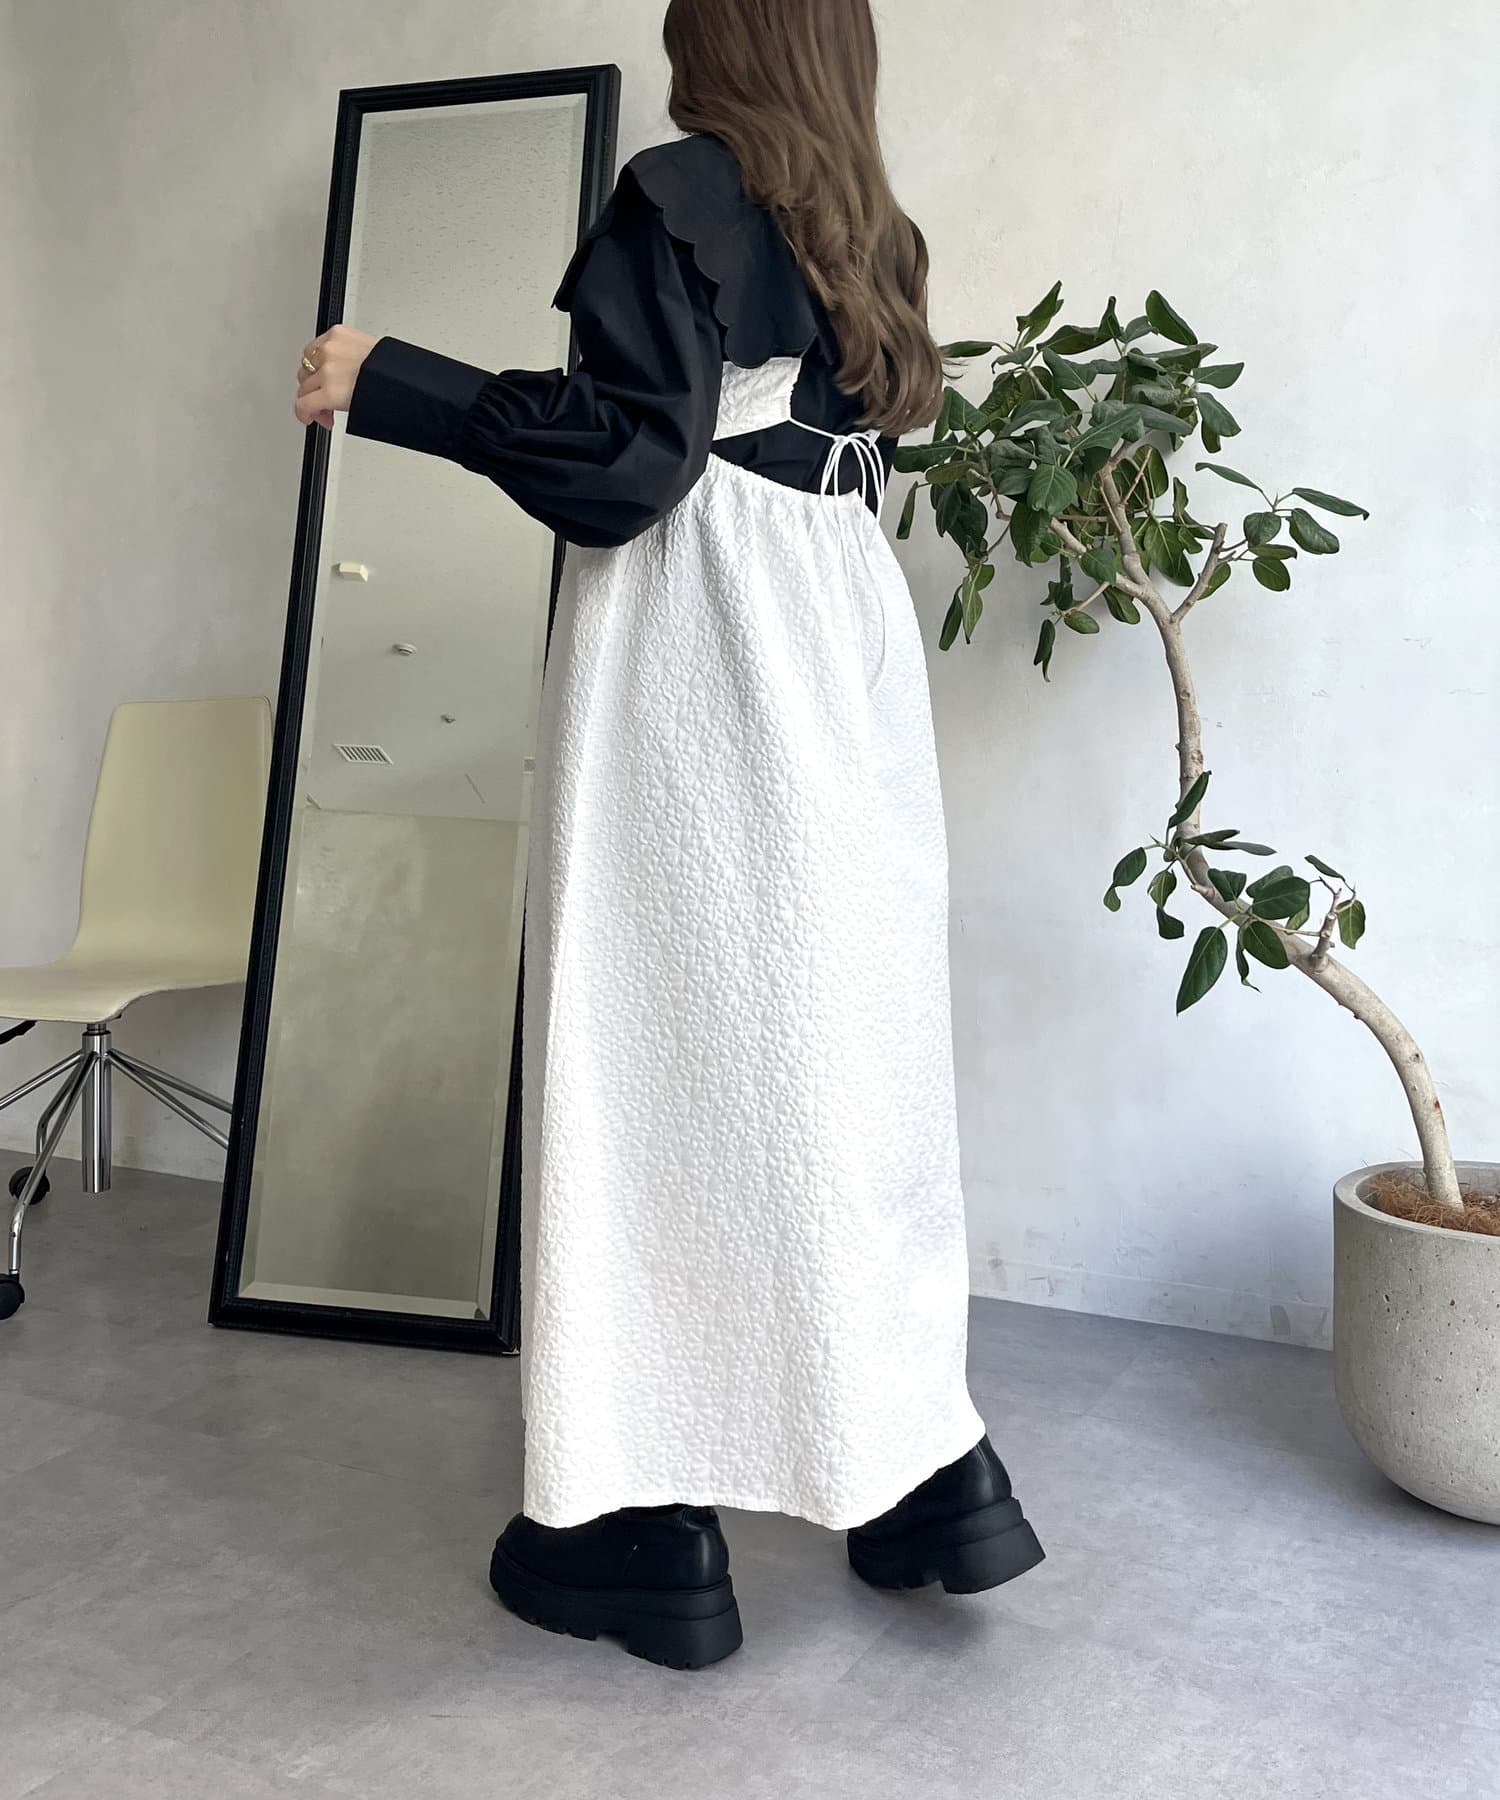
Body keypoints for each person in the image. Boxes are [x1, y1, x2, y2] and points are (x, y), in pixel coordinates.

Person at [293, 0, 1043, 1671]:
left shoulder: (682, 194)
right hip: (840, 666)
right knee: (846, 1066)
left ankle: (641, 1524)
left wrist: (391, 378)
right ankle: (925, 1473)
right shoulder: (872, 230)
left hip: (704, 669)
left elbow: (631, 465)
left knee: (651, 1063)